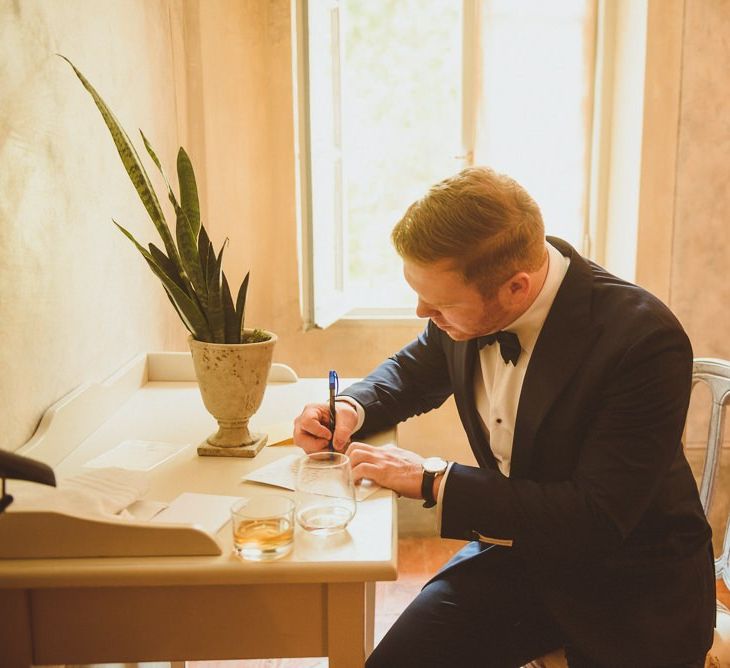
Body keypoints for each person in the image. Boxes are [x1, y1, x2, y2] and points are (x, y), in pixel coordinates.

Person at [293, 167, 715, 667]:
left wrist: (431, 480)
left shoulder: (643, 340)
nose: (422, 311)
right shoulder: (463, 309)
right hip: (522, 554)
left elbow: (596, 518)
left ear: (515, 288)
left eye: (440, 303)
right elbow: (412, 369)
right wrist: (349, 407)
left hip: (631, 587)